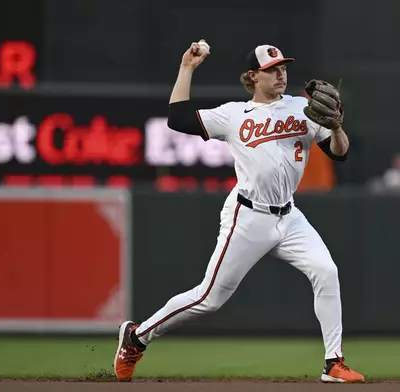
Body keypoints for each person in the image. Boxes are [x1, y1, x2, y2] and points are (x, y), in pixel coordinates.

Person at [114, 41, 364, 383]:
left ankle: (333, 362)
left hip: (289, 217)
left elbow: (340, 154)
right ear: (252, 77)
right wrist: (187, 68)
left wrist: (336, 127)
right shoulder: (234, 115)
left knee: (326, 271)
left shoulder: (301, 108)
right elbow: (177, 118)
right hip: (248, 216)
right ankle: (137, 337)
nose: (280, 74)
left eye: (283, 67)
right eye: (271, 69)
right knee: (208, 298)